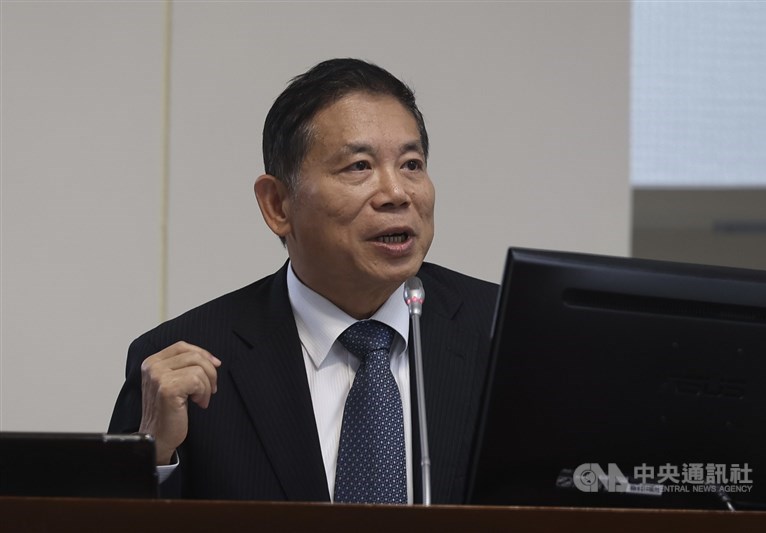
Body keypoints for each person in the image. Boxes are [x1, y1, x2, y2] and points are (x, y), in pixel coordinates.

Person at [109, 58, 498, 504]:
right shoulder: (186, 361)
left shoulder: (506, 336)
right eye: (359, 166)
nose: (397, 193)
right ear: (277, 204)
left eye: (412, 164)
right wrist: (154, 457)